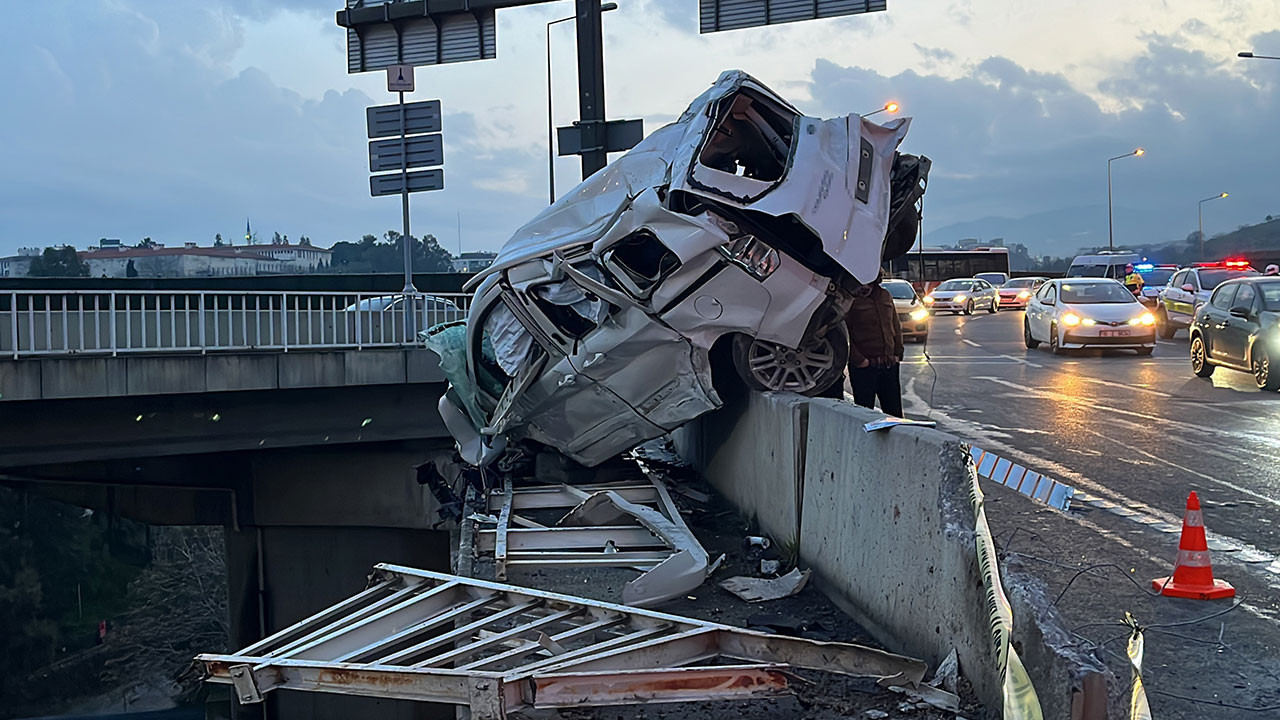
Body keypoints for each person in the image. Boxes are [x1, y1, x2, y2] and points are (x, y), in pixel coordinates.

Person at [841, 275, 905, 417]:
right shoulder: (850, 299)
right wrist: (859, 360)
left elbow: (895, 324)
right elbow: (844, 332)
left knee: (895, 413)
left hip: (889, 364)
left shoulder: (885, 295)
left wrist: (898, 353)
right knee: (864, 414)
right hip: (865, 367)